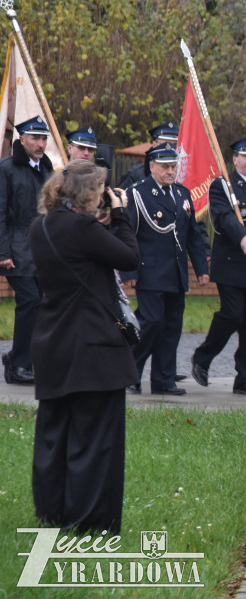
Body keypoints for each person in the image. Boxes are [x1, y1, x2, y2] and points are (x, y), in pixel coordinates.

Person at [28, 161, 138, 533]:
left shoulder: (40, 226)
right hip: (92, 346)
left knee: (54, 435)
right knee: (95, 440)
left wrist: (100, 224)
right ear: (90, 192)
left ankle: (52, 514)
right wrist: (121, 215)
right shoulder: (84, 227)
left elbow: (78, 253)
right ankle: (90, 521)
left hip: (52, 342)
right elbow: (129, 258)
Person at [191, 135, 246, 395]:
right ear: (235, 159)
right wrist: (242, 235)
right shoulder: (223, 186)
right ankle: (203, 356)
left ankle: (245, 379)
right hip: (232, 265)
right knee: (232, 314)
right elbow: (223, 218)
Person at [122, 142, 210, 395]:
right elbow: (127, 234)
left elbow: (193, 234)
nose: (171, 171)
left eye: (174, 166)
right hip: (149, 272)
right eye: (165, 167)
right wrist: (129, 271)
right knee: (151, 322)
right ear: (152, 166)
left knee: (171, 327)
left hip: (176, 273)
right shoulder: (138, 194)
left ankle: (163, 380)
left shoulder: (182, 194)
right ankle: (129, 373)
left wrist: (201, 268)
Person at [1, 116, 55, 385]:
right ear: (22, 140)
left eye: (44, 138)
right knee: (30, 301)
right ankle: (19, 363)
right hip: (16, 248)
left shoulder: (47, 169)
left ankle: (20, 361)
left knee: (42, 304)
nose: (40, 143)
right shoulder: (7, 168)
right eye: (35, 138)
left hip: (40, 250)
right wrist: (3, 252)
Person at [117, 123, 178, 189]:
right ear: (154, 145)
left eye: (175, 144)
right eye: (166, 144)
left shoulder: (182, 174)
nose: (171, 148)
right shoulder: (135, 175)